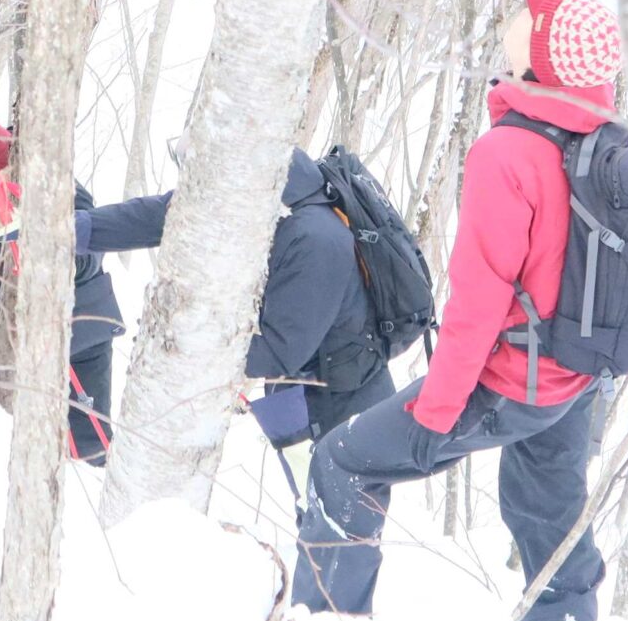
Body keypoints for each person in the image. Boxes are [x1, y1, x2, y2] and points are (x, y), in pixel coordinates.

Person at [290, 0, 622, 621]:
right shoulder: (608, 141)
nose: (512, 18)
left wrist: (437, 410)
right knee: (546, 510)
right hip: (576, 377)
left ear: (544, 52)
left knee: (341, 462)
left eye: (527, 15)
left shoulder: (508, 153)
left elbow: (479, 299)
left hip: (513, 379)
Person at [81, 142, 397, 459]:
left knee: (323, 501)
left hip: (342, 409)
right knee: (303, 500)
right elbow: (159, 217)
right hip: (296, 398)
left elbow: (279, 352)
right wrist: (76, 230)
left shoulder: (316, 239)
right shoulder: (251, 202)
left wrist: (181, 343)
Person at [0, 123, 122, 463]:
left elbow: (86, 252)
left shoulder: (57, 185)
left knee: (91, 444)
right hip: (12, 329)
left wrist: (33, 237)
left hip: (80, 324)